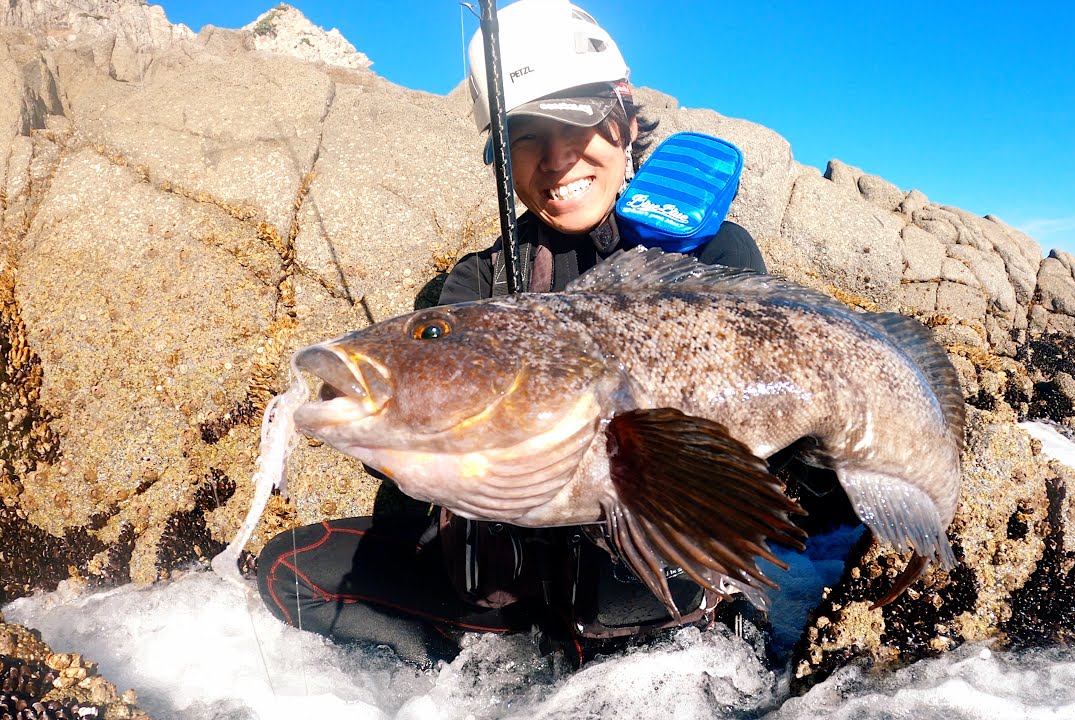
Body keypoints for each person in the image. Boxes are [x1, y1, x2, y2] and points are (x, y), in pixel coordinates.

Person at [255, 0, 768, 667]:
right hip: (509, 611)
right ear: (502, 151)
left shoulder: (714, 260)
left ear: (627, 123)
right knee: (286, 571)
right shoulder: (475, 283)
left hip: (664, 625)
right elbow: (424, 434)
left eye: (578, 125)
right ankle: (465, 685)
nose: (556, 159)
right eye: (527, 135)